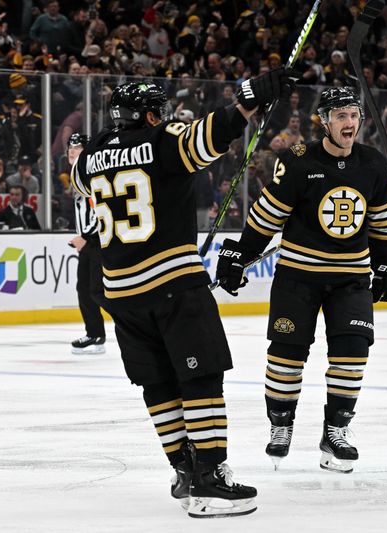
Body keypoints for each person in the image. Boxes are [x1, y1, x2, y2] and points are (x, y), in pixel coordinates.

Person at [70, 71, 296, 517]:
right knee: (201, 378)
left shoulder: (92, 154)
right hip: (172, 284)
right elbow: (210, 135)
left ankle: (184, 470)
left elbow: (80, 175)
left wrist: (85, 148)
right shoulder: (162, 138)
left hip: (120, 293)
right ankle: (210, 478)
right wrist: (247, 101)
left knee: (157, 383)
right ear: (152, 113)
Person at [215, 87, 387, 474]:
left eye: (353, 115)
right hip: (298, 278)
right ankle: (281, 425)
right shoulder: (297, 160)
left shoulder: (373, 163)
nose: (349, 123)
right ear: (324, 121)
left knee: (352, 356)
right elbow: (268, 215)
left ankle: (336, 431)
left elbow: (383, 223)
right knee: (286, 357)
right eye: (340, 116)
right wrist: (242, 252)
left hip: (351, 279)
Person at [66, 133, 106, 354]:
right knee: (85, 289)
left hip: (98, 241)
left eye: (77, 146)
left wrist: (87, 237)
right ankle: (95, 334)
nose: (72, 150)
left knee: (98, 290)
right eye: (70, 147)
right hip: (90, 242)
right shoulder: (77, 173)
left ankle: (139, 330)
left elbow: (101, 208)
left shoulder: (90, 174)